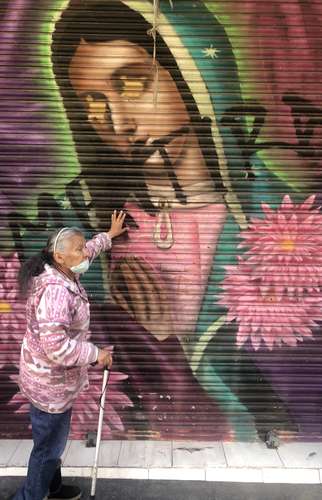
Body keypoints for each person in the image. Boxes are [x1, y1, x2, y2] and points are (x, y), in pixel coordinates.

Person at [50, 0, 295, 439]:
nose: (120, 123)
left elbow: (291, 396)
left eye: (131, 84)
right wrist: (148, 338)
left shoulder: (283, 219)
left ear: (191, 75)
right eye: (94, 104)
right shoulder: (91, 233)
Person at [12, 210, 127, 500]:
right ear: (60, 257)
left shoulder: (62, 268)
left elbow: (88, 248)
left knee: (51, 443)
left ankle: (53, 488)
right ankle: (30, 497)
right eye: (78, 249)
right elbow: (56, 347)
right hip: (49, 384)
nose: (84, 252)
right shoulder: (56, 293)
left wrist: (108, 236)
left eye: (82, 246)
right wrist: (96, 353)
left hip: (51, 381)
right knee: (47, 447)